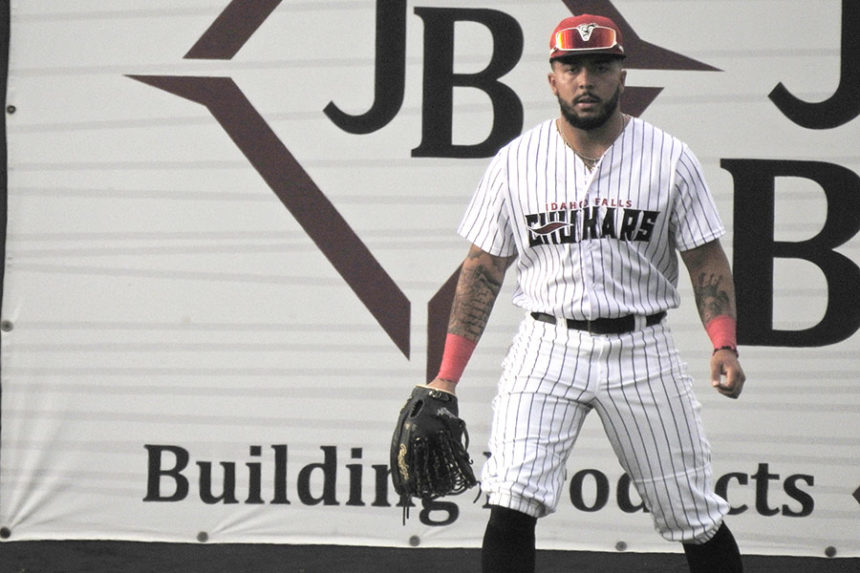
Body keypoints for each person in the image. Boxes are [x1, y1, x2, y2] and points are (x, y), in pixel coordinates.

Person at [427, 13, 747, 573]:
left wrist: (724, 343)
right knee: (509, 500)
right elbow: (481, 271)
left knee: (693, 514)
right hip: (546, 345)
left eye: (600, 65)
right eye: (571, 66)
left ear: (622, 75)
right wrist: (444, 379)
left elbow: (705, 261)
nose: (585, 79)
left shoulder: (670, 158)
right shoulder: (515, 163)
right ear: (551, 77)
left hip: (642, 348)